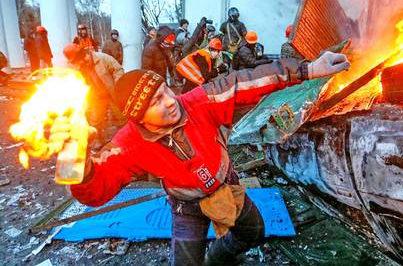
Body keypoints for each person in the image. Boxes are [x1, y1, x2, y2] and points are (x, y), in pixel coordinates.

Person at [57, 50, 349, 265]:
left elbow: (243, 81)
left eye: (165, 90)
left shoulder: (197, 102)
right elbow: (97, 192)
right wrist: (76, 159)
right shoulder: (127, 144)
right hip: (187, 208)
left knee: (254, 232)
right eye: (156, 101)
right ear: (138, 118)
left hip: (227, 189)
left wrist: (307, 69)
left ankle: (217, 258)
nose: (171, 101)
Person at [63, 43, 124, 149]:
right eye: (75, 63)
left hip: (112, 93)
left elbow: (118, 70)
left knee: (122, 116)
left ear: (84, 55)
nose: (78, 64)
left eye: (78, 61)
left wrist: (118, 85)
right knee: (96, 120)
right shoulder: (79, 68)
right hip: (97, 96)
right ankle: (98, 140)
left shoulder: (103, 59)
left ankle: (126, 139)